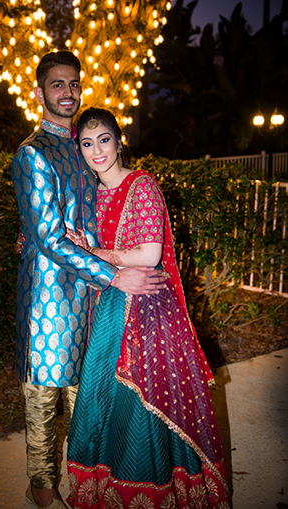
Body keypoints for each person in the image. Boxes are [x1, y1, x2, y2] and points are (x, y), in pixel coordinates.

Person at [11, 52, 167, 509]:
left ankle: (88, 479)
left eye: (74, 84)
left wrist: (110, 270)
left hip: (93, 292)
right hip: (49, 296)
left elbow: (99, 213)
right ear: (39, 93)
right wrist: (116, 275)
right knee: (43, 394)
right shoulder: (32, 152)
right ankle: (41, 485)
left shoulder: (82, 146)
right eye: (57, 85)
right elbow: (47, 239)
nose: (68, 92)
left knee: (90, 391)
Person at [65, 108, 231, 508]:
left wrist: (93, 252)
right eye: (87, 143)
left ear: (120, 142)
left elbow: (149, 253)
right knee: (104, 404)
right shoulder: (87, 195)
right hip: (108, 309)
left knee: (146, 406)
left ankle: (156, 493)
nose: (97, 150)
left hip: (146, 309)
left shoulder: (141, 185)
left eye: (104, 139)